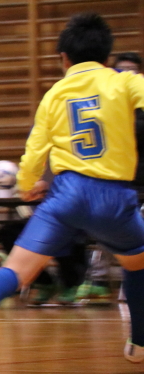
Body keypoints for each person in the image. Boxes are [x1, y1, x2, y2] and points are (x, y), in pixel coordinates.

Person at [0, 13, 144, 366]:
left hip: (65, 194)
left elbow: (34, 152)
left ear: (63, 59)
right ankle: (139, 343)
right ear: (107, 56)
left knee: (17, 269)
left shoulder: (53, 95)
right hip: (114, 197)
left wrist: (27, 186)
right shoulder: (125, 82)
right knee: (138, 263)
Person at [76, 52, 144, 302]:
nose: (127, 74)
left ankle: (134, 283)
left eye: (132, 70)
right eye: (122, 69)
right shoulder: (105, 105)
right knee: (105, 226)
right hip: (117, 184)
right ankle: (99, 280)